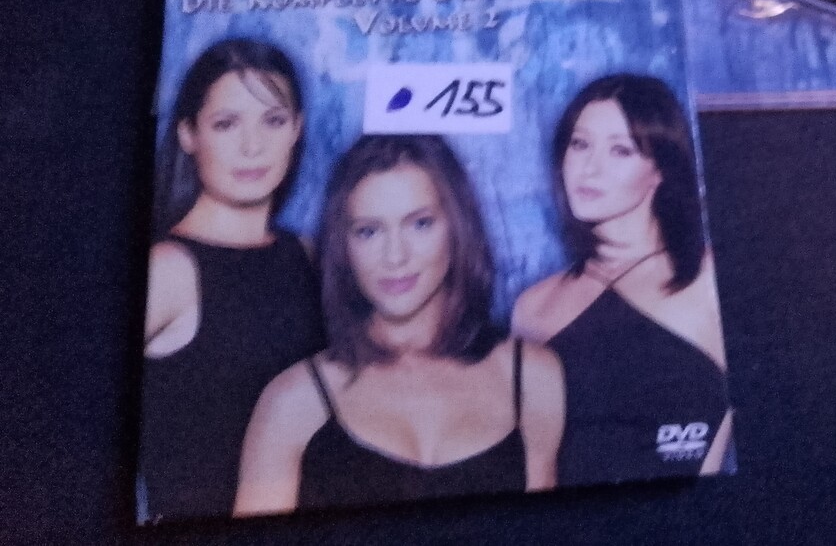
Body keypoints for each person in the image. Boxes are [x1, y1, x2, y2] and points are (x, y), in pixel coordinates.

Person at [234, 135, 564, 515]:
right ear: (344, 247)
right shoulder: (293, 401)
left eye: (420, 224)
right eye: (369, 231)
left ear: (458, 229)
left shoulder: (532, 377)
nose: (395, 256)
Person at [512, 74, 732, 486]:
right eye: (580, 144)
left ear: (660, 169)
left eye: (620, 150)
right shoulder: (533, 307)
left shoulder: (708, 280)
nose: (590, 168)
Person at [139, 38, 325, 521]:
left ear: (297, 128)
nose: (252, 146)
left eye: (273, 120)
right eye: (226, 123)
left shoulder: (306, 255)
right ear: (188, 134)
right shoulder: (168, 269)